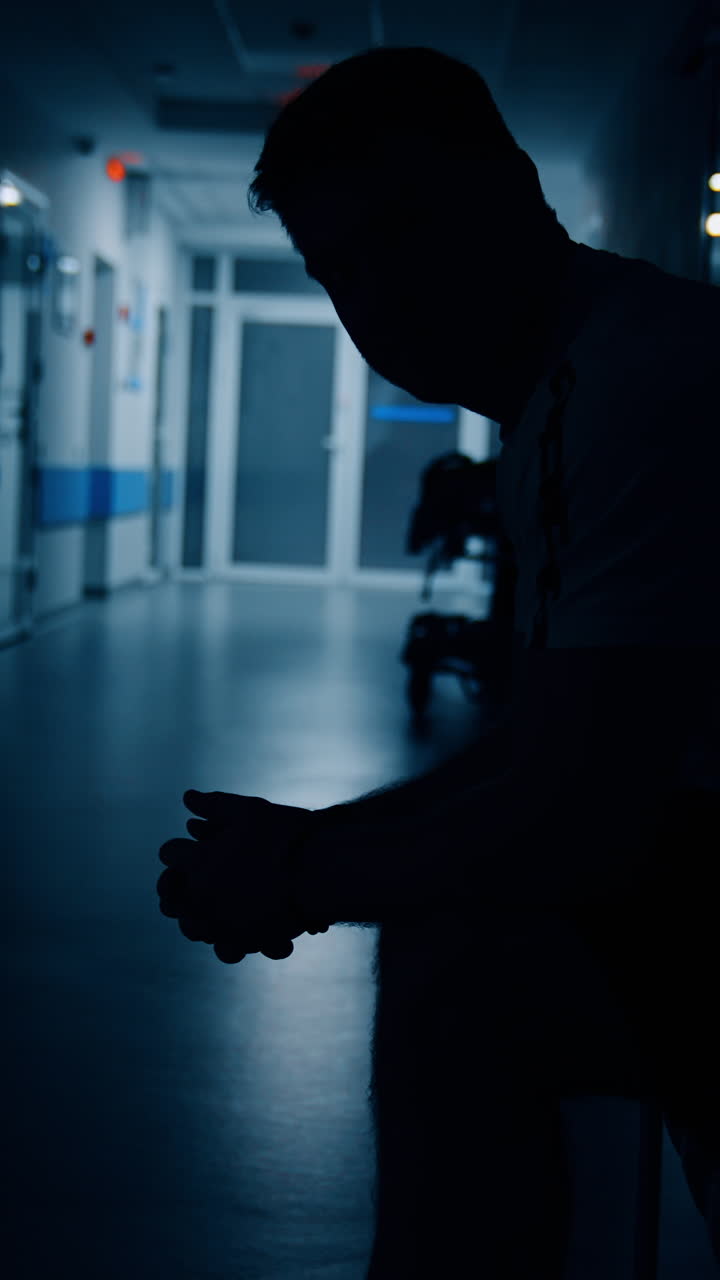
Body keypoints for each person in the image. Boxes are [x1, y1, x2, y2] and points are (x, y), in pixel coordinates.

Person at [157, 46, 720, 1276]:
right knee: (447, 946)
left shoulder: (642, 379)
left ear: (516, 185)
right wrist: (310, 845)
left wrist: (308, 872)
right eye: (337, 270)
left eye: (406, 230)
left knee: (464, 979)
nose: (382, 297)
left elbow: (583, 816)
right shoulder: (553, 407)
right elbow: (544, 744)